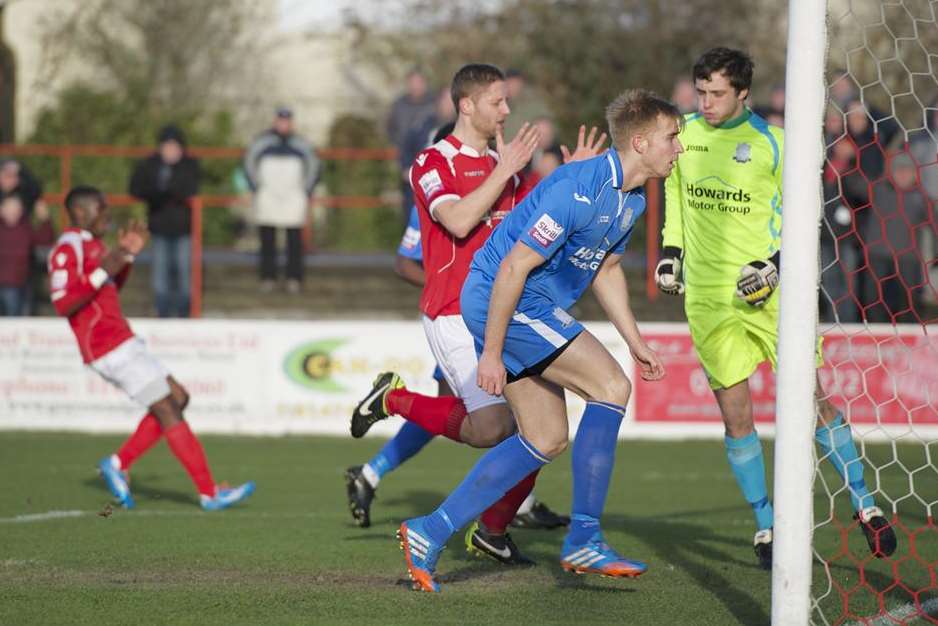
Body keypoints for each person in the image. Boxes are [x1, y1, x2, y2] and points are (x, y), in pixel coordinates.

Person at [389, 87, 676, 593]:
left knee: (546, 438)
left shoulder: (630, 200)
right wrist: (493, 353)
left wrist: (636, 340)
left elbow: (607, 269)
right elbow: (513, 267)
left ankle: (428, 531)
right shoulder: (579, 188)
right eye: (672, 137)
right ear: (640, 141)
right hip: (508, 300)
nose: (679, 148)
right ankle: (585, 535)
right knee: (611, 387)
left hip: (527, 305)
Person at [655, 47, 897, 569]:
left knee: (813, 402)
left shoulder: (775, 143)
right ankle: (766, 525)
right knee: (735, 414)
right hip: (709, 299)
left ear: (743, 93)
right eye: (701, 92)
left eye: (717, 93)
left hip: (770, 297)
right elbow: (675, 197)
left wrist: (776, 264)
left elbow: (803, 214)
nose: (706, 102)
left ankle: (864, 503)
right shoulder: (684, 136)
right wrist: (671, 251)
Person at [351, 65, 597, 566]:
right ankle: (393, 399)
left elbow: (545, 230)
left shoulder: (509, 170)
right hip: (451, 313)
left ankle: (493, 530)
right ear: (467, 105)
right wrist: (504, 170)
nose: (507, 111)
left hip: (504, 313)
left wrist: (575, 179)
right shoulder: (431, 162)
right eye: (497, 102)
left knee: (544, 431)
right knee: (489, 429)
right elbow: (459, 221)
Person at [48, 186, 255, 511]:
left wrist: (125, 258)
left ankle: (118, 464)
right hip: (106, 346)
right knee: (168, 409)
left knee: (179, 397)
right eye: (102, 210)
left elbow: (108, 287)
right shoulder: (67, 248)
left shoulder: (96, 245)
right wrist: (107, 267)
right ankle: (209, 492)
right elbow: (63, 303)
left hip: (123, 339)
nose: (108, 216)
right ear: (80, 213)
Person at [244, 107, 320, 294]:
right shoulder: (261, 142)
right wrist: (257, 187)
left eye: (287, 121)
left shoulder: (301, 144)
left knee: (294, 241)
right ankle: (267, 277)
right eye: (280, 120)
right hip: (268, 195)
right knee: (267, 239)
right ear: (275, 121)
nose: (283, 124)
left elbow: (314, 166)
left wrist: (305, 190)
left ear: (291, 123)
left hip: (293, 196)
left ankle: (294, 278)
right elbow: (248, 163)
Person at [128, 125, 200, 318]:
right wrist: (160, 192)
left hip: (183, 229)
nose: (170, 151)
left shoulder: (188, 165)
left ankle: (184, 313)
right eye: (166, 146)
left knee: (184, 274)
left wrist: (165, 189)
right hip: (159, 229)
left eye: (174, 146)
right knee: (160, 276)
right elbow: (136, 188)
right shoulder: (151, 165)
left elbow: (188, 188)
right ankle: (163, 313)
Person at [860, 152, 930, 323]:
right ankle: (876, 335)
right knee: (872, 298)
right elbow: (852, 184)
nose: (903, 175)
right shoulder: (877, 189)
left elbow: (933, 224)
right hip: (877, 254)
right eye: (899, 170)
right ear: (891, 173)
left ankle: (908, 338)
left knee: (908, 302)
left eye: (907, 171)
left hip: (908, 257)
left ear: (915, 174)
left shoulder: (922, 198)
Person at [387, 68, 437, 223]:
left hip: (431, 160)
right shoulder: (398, 105)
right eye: (412, 83)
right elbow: (390, 129)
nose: (416, 86)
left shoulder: (433, 105)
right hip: (406, 160)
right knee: (409, 205)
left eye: (419, 82)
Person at [0, 194, 53, 315]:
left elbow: (45, 239)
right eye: (9, 208)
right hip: (5, 282)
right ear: (2, 210)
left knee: (14, 323)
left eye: (17, 209)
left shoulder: (26, 229)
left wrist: (45, 219)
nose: (13, 212)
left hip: (19, 283)